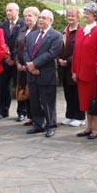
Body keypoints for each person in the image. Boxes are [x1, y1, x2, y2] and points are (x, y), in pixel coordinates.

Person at [23, 9, 62, 138]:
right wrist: (30, 65)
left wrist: (35, 64)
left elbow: (51, 54)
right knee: (34, 101)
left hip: (46, 74)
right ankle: (38, 124)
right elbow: (26, 51)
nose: (40, 20)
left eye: (44, 18)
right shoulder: (31, 35)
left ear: (50, 20)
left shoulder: (56, 36)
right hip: (32, 74)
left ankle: (51, 125)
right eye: (39, 17)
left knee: (48, 102)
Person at [71, 3, 97, 140]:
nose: (85, 15)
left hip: (93, 74)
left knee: (95, 102)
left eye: (88, 13)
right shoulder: (81, 31)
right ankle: (88, 127)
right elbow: (76, 53)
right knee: (86, 102)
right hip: (81, 74)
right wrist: (74, 71)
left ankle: (96, 128)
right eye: (85, 12)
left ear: (95, 15)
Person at [0, 3, 27, 121]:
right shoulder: (2, 25)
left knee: (19, 86)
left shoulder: (23, 25)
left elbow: (21, 44)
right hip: (4, 61)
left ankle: (22, 112)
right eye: (7, 10)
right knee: (3, 86)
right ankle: (3, 111)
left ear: (17, 11)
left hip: (18, 61)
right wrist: (6, 57)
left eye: (11, 10)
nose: (8, 12)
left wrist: (13, 58)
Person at [58, 7, 85, 127]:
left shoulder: (81, 31)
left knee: (76, 93)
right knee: (67, 93)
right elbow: (58, 46)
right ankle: (69, 115)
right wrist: (59, 58)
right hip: (63, 68)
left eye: (73, 16)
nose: (70, 18)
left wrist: (68, 61)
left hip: (74, 67)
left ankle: (79, 117)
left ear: (78, 17)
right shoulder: (63, 31)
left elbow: (80, 51)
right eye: (68, 15)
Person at [14, 6, 40, 127]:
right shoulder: (22, 29)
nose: (27, 18)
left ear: (36, 17)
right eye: (26, 16)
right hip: (21, 69)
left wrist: (28, 64)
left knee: (34, 93)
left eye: (30, 15)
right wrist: (18, 63)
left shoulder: (39, 30)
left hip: (32, 67)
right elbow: (16, 48)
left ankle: (37, 117)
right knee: (26, 93)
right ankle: (30, 116)